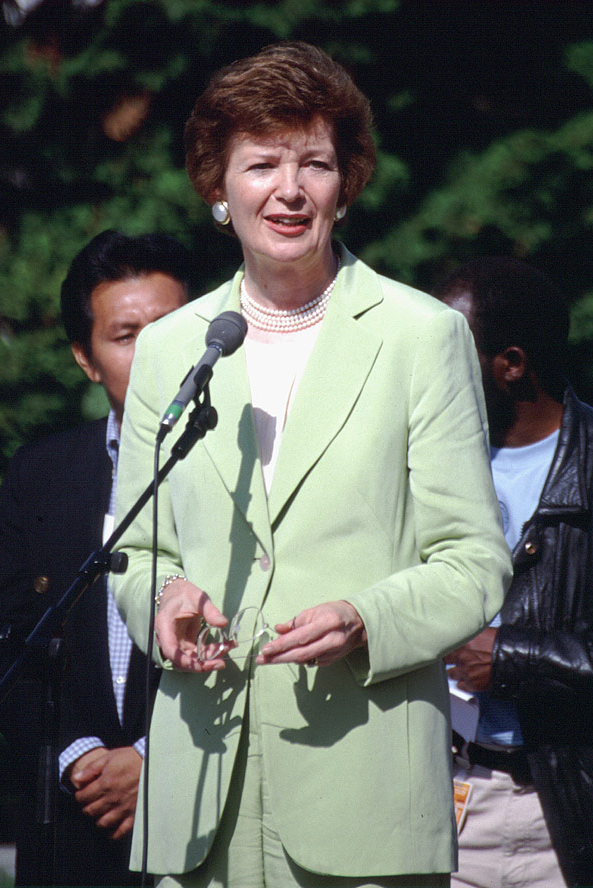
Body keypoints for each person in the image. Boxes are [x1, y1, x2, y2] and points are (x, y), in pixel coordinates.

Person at [111, 42, 511, 888]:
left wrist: (369, 616)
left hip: (362, 782)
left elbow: (475, 562)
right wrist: (164, 597)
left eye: (314, 164)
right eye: (261, 164)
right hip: (200, 791)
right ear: (219, 187)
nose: (288, 190)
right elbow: (133, 549)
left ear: (345, 182)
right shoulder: (169, 348)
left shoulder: (421, 337)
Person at [0, 229, 195, 886]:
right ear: (85, 357)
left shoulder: (257, 470)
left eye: (172, 327)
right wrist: (79, 759)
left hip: (205, 819)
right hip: (72, 828)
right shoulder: (40, 474)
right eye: (127, 334)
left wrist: (156, 759)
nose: (156, 352)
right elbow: (7, 641)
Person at [434, 256, 593, 888]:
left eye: (448, 352)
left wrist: (513, 657)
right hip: (445, 799)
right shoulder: (426, 462)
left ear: (512, 365)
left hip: (564, 809)